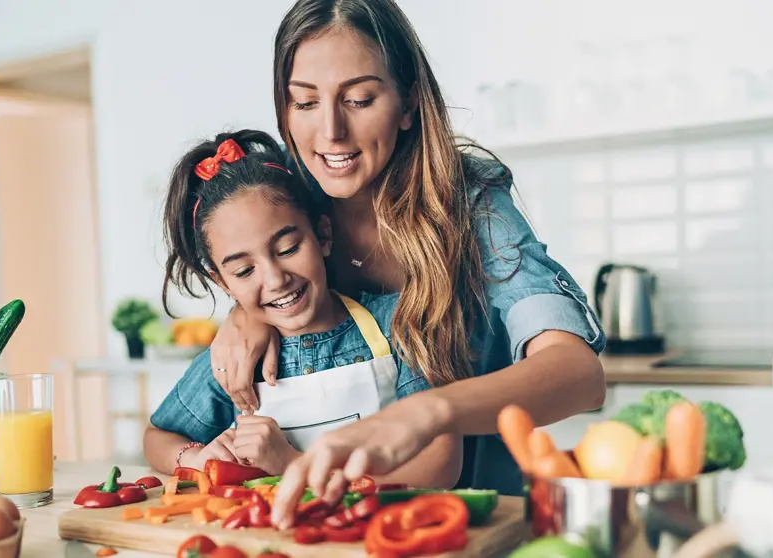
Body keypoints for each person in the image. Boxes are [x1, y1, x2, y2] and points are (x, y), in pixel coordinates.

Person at [209, 0, 608, 527]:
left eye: (358, 99)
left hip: (473, 525)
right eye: (305, 103)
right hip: (326, 528)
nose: (330, 132)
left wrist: (427, 412)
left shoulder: (472, 204)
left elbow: (579, 374)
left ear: (408, 103)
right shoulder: (287, 204)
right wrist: (245, 314)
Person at [143, 129, 461, 492]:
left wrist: (294, 465)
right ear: (223, 283)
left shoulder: (399, 324)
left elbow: (440, 464)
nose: (276, 279)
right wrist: (197, 458)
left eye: (288, 248)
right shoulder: (234, 363)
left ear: (323, 235)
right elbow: (157, 437)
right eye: (245, 271)